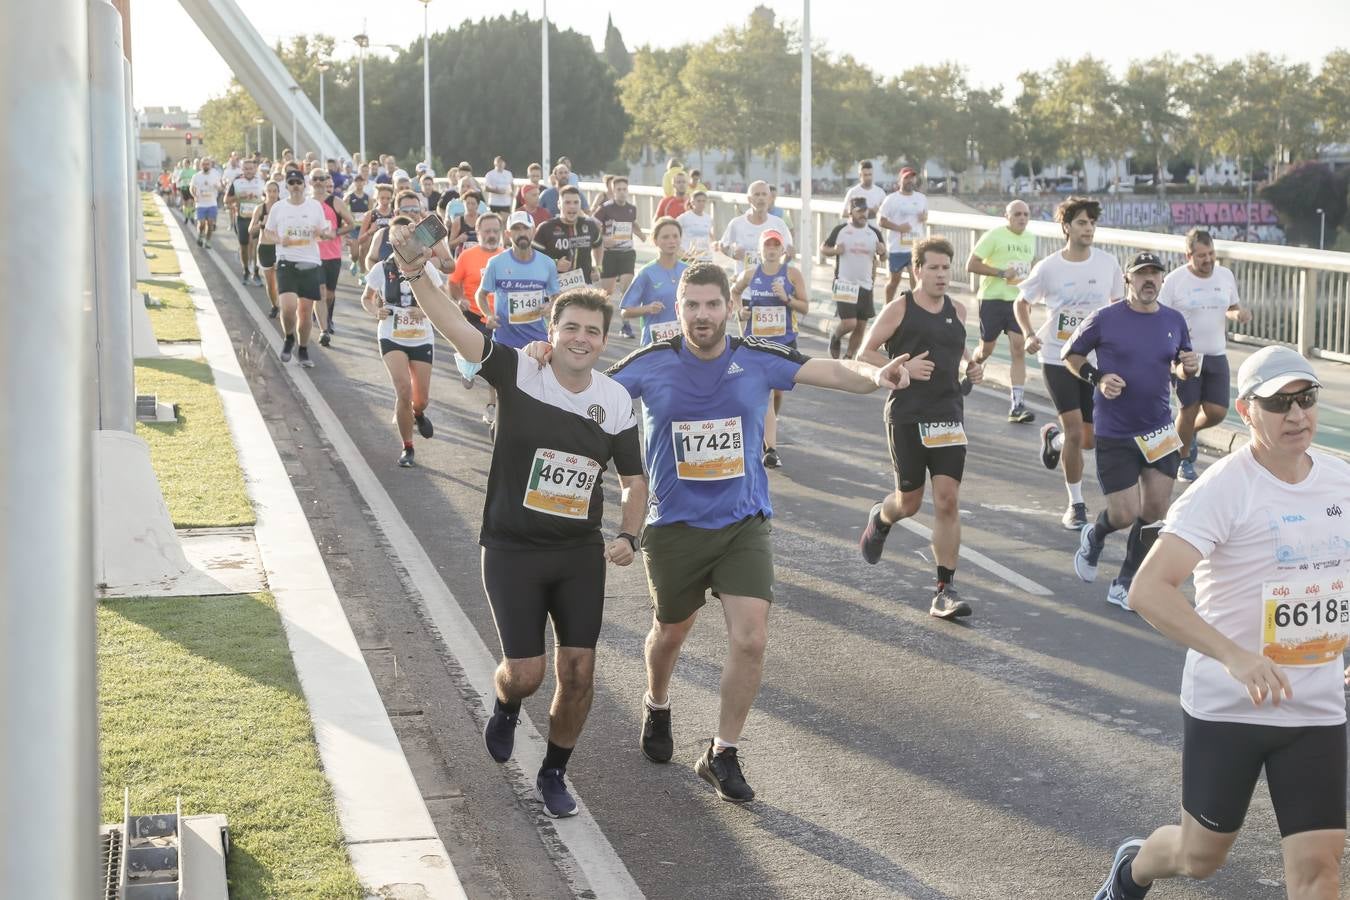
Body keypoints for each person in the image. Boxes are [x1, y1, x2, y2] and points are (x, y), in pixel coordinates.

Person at [593, 262, 911, 803]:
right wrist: (538, 361)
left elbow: (830, 371)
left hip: (744, 522)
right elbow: (590, 394)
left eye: (712, 304)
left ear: (729, 308)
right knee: (670, 633)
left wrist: (875, 376)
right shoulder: (650, 364)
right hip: (674, 527)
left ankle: (722, 752)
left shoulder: (756, 358)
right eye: (691, 305)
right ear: (678, 311)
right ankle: (657, 702)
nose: (702, 315)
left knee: (752, 637)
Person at [391, 220, 648, 820]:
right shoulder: (517, 368)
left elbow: (635, 482)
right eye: (571, 328)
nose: (581, 339)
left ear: (605, 341)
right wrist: (414, 273)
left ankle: (556, 770)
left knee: (579, 670)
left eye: (593, 331)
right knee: (527, 674)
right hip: (511, 548)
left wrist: (630, 534)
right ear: (551, 332)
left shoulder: (613, 400)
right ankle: (507, 704)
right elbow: (453, 324)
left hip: (578, 552)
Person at [1095, 345, 1347, 900]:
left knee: (1320, 866)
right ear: (1245, 409)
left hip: (1316, 702)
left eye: (1305, 399)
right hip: (1231, 704)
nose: (1297, 414)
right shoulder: (1224, 489)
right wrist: (1235, 655)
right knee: (1200, 856)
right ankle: (1133, 868)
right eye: (1279, 403)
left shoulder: (1340, 482)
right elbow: (1149, 590)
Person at [857, 236, 985, 620]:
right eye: (934, 267)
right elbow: (864, 351)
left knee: (947, 499)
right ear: (917, 270)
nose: (942, 274)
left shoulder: (960, 311)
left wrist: (971, 367)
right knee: (909, 503)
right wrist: (901, 367)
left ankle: (944, 589)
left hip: (947, 414)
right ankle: (881, 517)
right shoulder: (901, 308)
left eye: (947, 267)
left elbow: (959, 350)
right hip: (908, 415)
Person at [1065, 252, 1198, 609]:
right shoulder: (1105, 319)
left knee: (1154, 511)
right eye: (1142, 274)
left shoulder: (1174, 320)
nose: (1149, 280)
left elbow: (1182, 367)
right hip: (1116, 430)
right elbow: (1071, 354)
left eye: (1155, 274)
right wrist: (1097, 378)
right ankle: (1096, 533)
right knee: (1124, 513)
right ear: (1128, 279)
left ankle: (1125, 581)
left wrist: (1188, 368)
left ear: (1162, 279)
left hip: (1158, 431)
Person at [1015, 196, 1124, 529]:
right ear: (1066, 227)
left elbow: (1118, 306)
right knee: (1077, 433)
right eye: (1081, 222)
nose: (1088, 228)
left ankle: (1053, 440)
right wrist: (1030, 333)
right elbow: (1021, 303)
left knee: (1087, 438)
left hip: (1093, 361)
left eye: (1092, 222)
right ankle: (1076, 504)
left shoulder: (1108, 264)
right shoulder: (1049, 267)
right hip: (1057, 358)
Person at [1159, 228, 1252, 482]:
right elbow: (1160, 316)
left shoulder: (1225, 275)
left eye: (1211, 253)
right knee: (1188, 410)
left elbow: (1231, 306)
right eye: (1201, 255)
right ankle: (1182, 460)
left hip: (1216, 353)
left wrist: (1238, 314)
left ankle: (1186, 434)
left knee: (1217, 412)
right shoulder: (1175, 280)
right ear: (1188, 255)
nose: (1208, 260)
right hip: (1186, 355)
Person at [361, 214, 445, 467]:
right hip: (391, 334)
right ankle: (408, 448)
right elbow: (366, 298)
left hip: (420, 336)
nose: (402, 244)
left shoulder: (426, 266)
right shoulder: (381, 268)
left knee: (421, 399)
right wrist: (377, 312)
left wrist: (426, 309)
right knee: (403, 390)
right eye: (397, 239)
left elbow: (441, 298)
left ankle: (417, 413)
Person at [478, 211, 562, 433]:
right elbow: (481, 294)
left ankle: (530, 431)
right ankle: (501, 428)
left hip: (537, 337)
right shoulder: (496, 263)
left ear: (533, 231)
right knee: (504, 388)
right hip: (505, 337)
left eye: (525, 228)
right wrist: (488, 315)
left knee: (537, 389)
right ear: (508, 233)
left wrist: (550, 307)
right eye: (516, 229)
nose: (521, 233)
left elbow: (556, 298)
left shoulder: (546, 264)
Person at [730, 229, 808, 469]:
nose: (772, 250)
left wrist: (786, 298)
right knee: (764, 392)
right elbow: (734, 291)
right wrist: (739, 312)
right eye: (768, 245)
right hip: (757, 343)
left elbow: (805, 307)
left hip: (783, 342)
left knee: (777, 393)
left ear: (782, 250)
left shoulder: (792, 274)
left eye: (776, 246)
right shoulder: (751, 274)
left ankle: (768, 425)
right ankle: (769, 446)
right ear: (760, 250)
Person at [967, 200, 1037, 423]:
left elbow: (1027, 271)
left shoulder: (1031, 238)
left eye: (1026, 214)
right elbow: (971, 264)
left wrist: (1030, 297)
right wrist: (1000, 272)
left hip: (1016, 301)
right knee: (986, 349)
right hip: (992, 299)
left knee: (1019, 349)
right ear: (1007, 216)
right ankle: (973, 367)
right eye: (1017, 214)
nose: (1022, 218)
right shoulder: (994, 235)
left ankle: (1017, 405)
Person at [263, 168, 334, 367]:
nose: (295, 186)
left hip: (310, 263)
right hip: (286, 261)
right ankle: (288, 338)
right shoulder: (278, 207)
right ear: (286, 186)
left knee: (304, 312)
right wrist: (279, 239)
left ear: (304, 185)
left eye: (298, 183)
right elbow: (268, 233)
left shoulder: (314, 207)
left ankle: (303, 349)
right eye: (291, 183)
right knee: (287, 308)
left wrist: (322, 232)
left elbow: (327, 233)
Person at [822, 196, 886, 360]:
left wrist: (882, 252)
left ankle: (849, 357)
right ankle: (835, 337)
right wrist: (835, 251)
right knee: (850, 323)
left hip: (866, 284)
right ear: (851, 212)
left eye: (865, 211)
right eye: (859, 211)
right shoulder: (841, 230)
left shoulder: (874, 233)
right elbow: (824, 248)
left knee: (861, 326)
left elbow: (884, 257)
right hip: (844, 283)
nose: (863, 214)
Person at [619, 217, 686, 345]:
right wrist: (647, 308)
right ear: (655, 241)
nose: (671, 241)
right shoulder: (646, 273)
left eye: (675, 236)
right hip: (654, 343)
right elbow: (625, 312)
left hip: (683, 342)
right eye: (665, 237)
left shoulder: (688, 271)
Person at [311, 169, 357, 347]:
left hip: (333, 254)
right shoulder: (307, 203)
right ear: (310, 182)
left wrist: (335, 233)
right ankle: (323, 330)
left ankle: (327, 316)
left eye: (322, 179)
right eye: (315, 179)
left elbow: (351, 224)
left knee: (329, 294)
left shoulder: (335, 202)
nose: (318, 182)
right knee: (320, 292)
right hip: (314, 254)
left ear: (327, 181)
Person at [714, 181, 793, 277]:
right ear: (749, 199)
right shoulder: (737, 223)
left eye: (764, 194)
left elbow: (788, 252)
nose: (761, 198)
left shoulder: (779, 224)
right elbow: (723, 245)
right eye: (757, 194)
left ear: (769, 198)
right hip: (745, 287)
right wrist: (732, 253)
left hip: (770, 286)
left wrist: (784, 259)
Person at [535, 186, 602, 290]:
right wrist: (555, 264)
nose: (572, 206)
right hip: (555, 287)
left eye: (576, 202)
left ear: (580, 204)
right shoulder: (546, 227)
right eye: (567, 202)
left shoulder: (590, 225)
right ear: (559, 205)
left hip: (584, 285)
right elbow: (533, 257)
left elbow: (598, 245)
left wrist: (598, 267)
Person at [595, 177, 646, 312]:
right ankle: (603, 319)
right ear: (613, 190)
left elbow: (632, 223)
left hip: (627, 252)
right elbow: (592, 225)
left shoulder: (632, 208)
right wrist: (603, 238)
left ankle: (626, 323)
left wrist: (640, 233)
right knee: (607, 293)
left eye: (624, 189)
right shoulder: (605, 208)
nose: (622, 192)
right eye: (619, 189)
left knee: (626, 288)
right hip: (609, 253)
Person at [878, 167, 928, 303]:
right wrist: (898, 228)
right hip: (897, 247)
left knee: (916, 278)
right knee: (894, 280)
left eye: (912, 178)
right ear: (900, 180)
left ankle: (916, 308)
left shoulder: (921, 198)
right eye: (906, 178)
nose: (910, 181)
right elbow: (881, 221)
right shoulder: (891, 199)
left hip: (915, 246)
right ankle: (887, 306)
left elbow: (925, 217)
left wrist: (924, 218)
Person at [226, 157, 266, 285]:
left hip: (257, 219)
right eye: (246, 168)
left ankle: (255, 272)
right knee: (244, 246)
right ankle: (245, 271)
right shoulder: (237, 182)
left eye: (251, 168)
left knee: (256, 245)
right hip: (242, 218)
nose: (248, 171)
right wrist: (240, 196)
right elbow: (226, 200)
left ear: (255, 169)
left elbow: (268, 197)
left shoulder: (261, 182)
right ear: (242, 169)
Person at [250, 180, 282, 318]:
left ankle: (283, 305)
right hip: (265, 247)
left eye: (275, 191)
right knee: (270, 282)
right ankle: (274, 305)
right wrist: (262, 224)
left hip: (280, 248)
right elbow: (251, 229)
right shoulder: (260, 208)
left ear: (279, 192)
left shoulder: (284, 207)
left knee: (281, 280)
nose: (272, 194)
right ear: (265, 192)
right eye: (269, 191)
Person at [190, 157, 222, 248]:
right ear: (200, 165)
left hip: (212, 203)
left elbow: (221, 188)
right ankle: (200, 235)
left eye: (207, 164)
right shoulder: (196, 176)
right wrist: (195, 196)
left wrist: (217, 187)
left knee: (210, 224)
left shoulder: (216, 175)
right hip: (200, 203)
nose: (206, 166)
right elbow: (191, 188)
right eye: (204, 164)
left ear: (211, 165)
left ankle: (207, 241)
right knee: (202, 224)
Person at [677, 191, 714, 263]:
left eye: (703, 201)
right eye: (698, 201)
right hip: (688, 256)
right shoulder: (684, 217)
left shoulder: (708, 218)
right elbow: (673, 230)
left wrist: (714, 244)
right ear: (692, 202)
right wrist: (678, 249)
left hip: (705, 257)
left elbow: (709, 234)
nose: (701, 203)